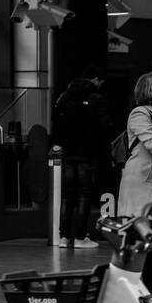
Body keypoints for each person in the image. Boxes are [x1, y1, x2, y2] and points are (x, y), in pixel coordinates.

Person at [50, 65, 112, 249]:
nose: (100, 85)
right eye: (100, 82)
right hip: (87, 155)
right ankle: (79, 237)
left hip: (67, 154)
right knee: (84, 195)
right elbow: (105, 127)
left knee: (68, 195)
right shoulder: (96, 99)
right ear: (94, 80)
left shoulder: (64, 97)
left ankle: (63, 237)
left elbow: (55, 124)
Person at [119, 71, 152, 293]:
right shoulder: (140, 113)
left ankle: (149, 295)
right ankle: (139, 296)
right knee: (142, 243)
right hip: (140, 187)